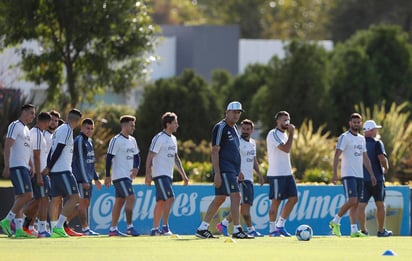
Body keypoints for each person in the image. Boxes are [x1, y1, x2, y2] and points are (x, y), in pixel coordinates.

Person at [195, 101, 254, 239]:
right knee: (236, 196)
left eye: (238, 112)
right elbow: (215, 150)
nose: (236, 115)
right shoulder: (220, 127)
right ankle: (237, 230)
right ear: (227, 112)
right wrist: (217, 173)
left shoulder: (234, 129)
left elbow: (235, 152)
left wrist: (239, 170)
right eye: (234, 112)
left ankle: (202, 228)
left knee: (220, 198)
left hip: (232, 170)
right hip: (224, 169)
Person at [329, 113, 377, 237]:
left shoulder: (361, 139)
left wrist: (371, 174)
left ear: (361, 123)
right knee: (352, 200)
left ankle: (354, 230)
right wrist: (335, 173)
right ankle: (335, 221)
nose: (356, 124)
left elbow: (365, 157)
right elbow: (336, 155)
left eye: (358, 122)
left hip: (359, 176)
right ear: (350, 123)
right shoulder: (344, 137)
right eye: (354, 122)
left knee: (356, 203)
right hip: (348, 174)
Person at [216, 119, 264, 237]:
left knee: (242, 206)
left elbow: (253, 160)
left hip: (250, 179)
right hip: (241, 178)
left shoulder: (253, 143)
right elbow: (234, 159)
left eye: (248, 129)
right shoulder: (237, 142)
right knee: (244, 208)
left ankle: (224, 223)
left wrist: (259, 174)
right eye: (243, 129)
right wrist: (239, 172)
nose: (245, 131)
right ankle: (249, 229)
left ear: (252, 130)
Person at [145, 112, 189, 236]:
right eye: (175, 122)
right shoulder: (159, 138)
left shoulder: (173, 139)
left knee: (161, 201)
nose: (177, 125)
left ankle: (154, 229)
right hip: (160, 174)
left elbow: (176, 158)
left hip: (168, 175)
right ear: (168, 124)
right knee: (170, 198)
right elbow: (150, 156)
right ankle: (165, 227)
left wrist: (183, 175)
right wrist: (148, 174)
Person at [41, 108, 83, 238]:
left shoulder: (59, 129)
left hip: (55, 171)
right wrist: (49, 166)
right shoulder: (67, 129)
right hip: (63, 170)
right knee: (75, 198)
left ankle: (54, 230)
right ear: (77, 121)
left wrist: (49, 167)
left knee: (56, 199)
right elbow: (58, 149)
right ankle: (59, 227)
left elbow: (51, 150)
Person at [0, 104, 36, 238]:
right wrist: (7, 165)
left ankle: (19, 230)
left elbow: (27, 149)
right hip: (17, 166)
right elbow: (8, 145)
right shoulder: (15, 125)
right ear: (24, 112)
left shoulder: (26, 129)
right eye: (31, 113)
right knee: (28, 195)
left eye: (34, 113)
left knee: (19, 198)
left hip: (24, 167)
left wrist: (31, 165)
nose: (33, 116)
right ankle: (7, 220)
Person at [105, 115, 141, 237]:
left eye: (134, 125)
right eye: (132, 125)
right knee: (131, 198)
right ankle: (130, 227)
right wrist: (107, 175)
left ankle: (113, 229)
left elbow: (137, 156)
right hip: (119, 176)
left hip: (128, 176)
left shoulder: (132, 140)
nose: (133, 128)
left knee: (120, 201)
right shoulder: (116, 140)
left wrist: (136, 168)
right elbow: (109, 157)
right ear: (124, 125)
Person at [67, 118, 102, 235]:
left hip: (88, 178)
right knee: (83, 203)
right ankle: (85, 229)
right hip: (81, 178)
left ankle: (63, 222)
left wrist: (96, 178)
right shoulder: (80, 140)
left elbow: (91, 162)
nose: (90, 131)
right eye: (87, 128)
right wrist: (85, 180)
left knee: (85, 203)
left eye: (92, 129)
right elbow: (81, 162)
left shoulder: (90, 141)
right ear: (82, 128)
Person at [266, 111, 298, 237]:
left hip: (287, 172)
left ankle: (280, 225)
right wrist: (292, 134)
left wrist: (289, 135)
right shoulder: (273, 134)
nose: (287, 123)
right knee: (276, 201)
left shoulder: (285, 135)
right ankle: (272, 230)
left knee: (294, 198)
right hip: (276, 174)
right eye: (284, 120)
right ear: (278, 121)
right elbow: (286, 149)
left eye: (288, 120)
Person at [358, 120, 392, 237]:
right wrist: (386, 168)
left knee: (361, 205)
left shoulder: (359, 143)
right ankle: (381, 231)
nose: (376, 131)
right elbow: (382, 158)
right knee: (380, 204)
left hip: (362, 179)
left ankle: (363, 231)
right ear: (371, 131)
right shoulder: (377, 143)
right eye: (375, 129)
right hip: (376, 179)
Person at [24, 112, 52, 238]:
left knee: (39, 200)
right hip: (39, 172)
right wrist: (40, 176)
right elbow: (36, 155)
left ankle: (23, 222)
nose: (48, 125)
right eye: (48, 123)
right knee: (44, 199)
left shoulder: (33, 132)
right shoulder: (38, 134)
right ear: (45, 122)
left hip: (37, 171)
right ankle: (41, 229)